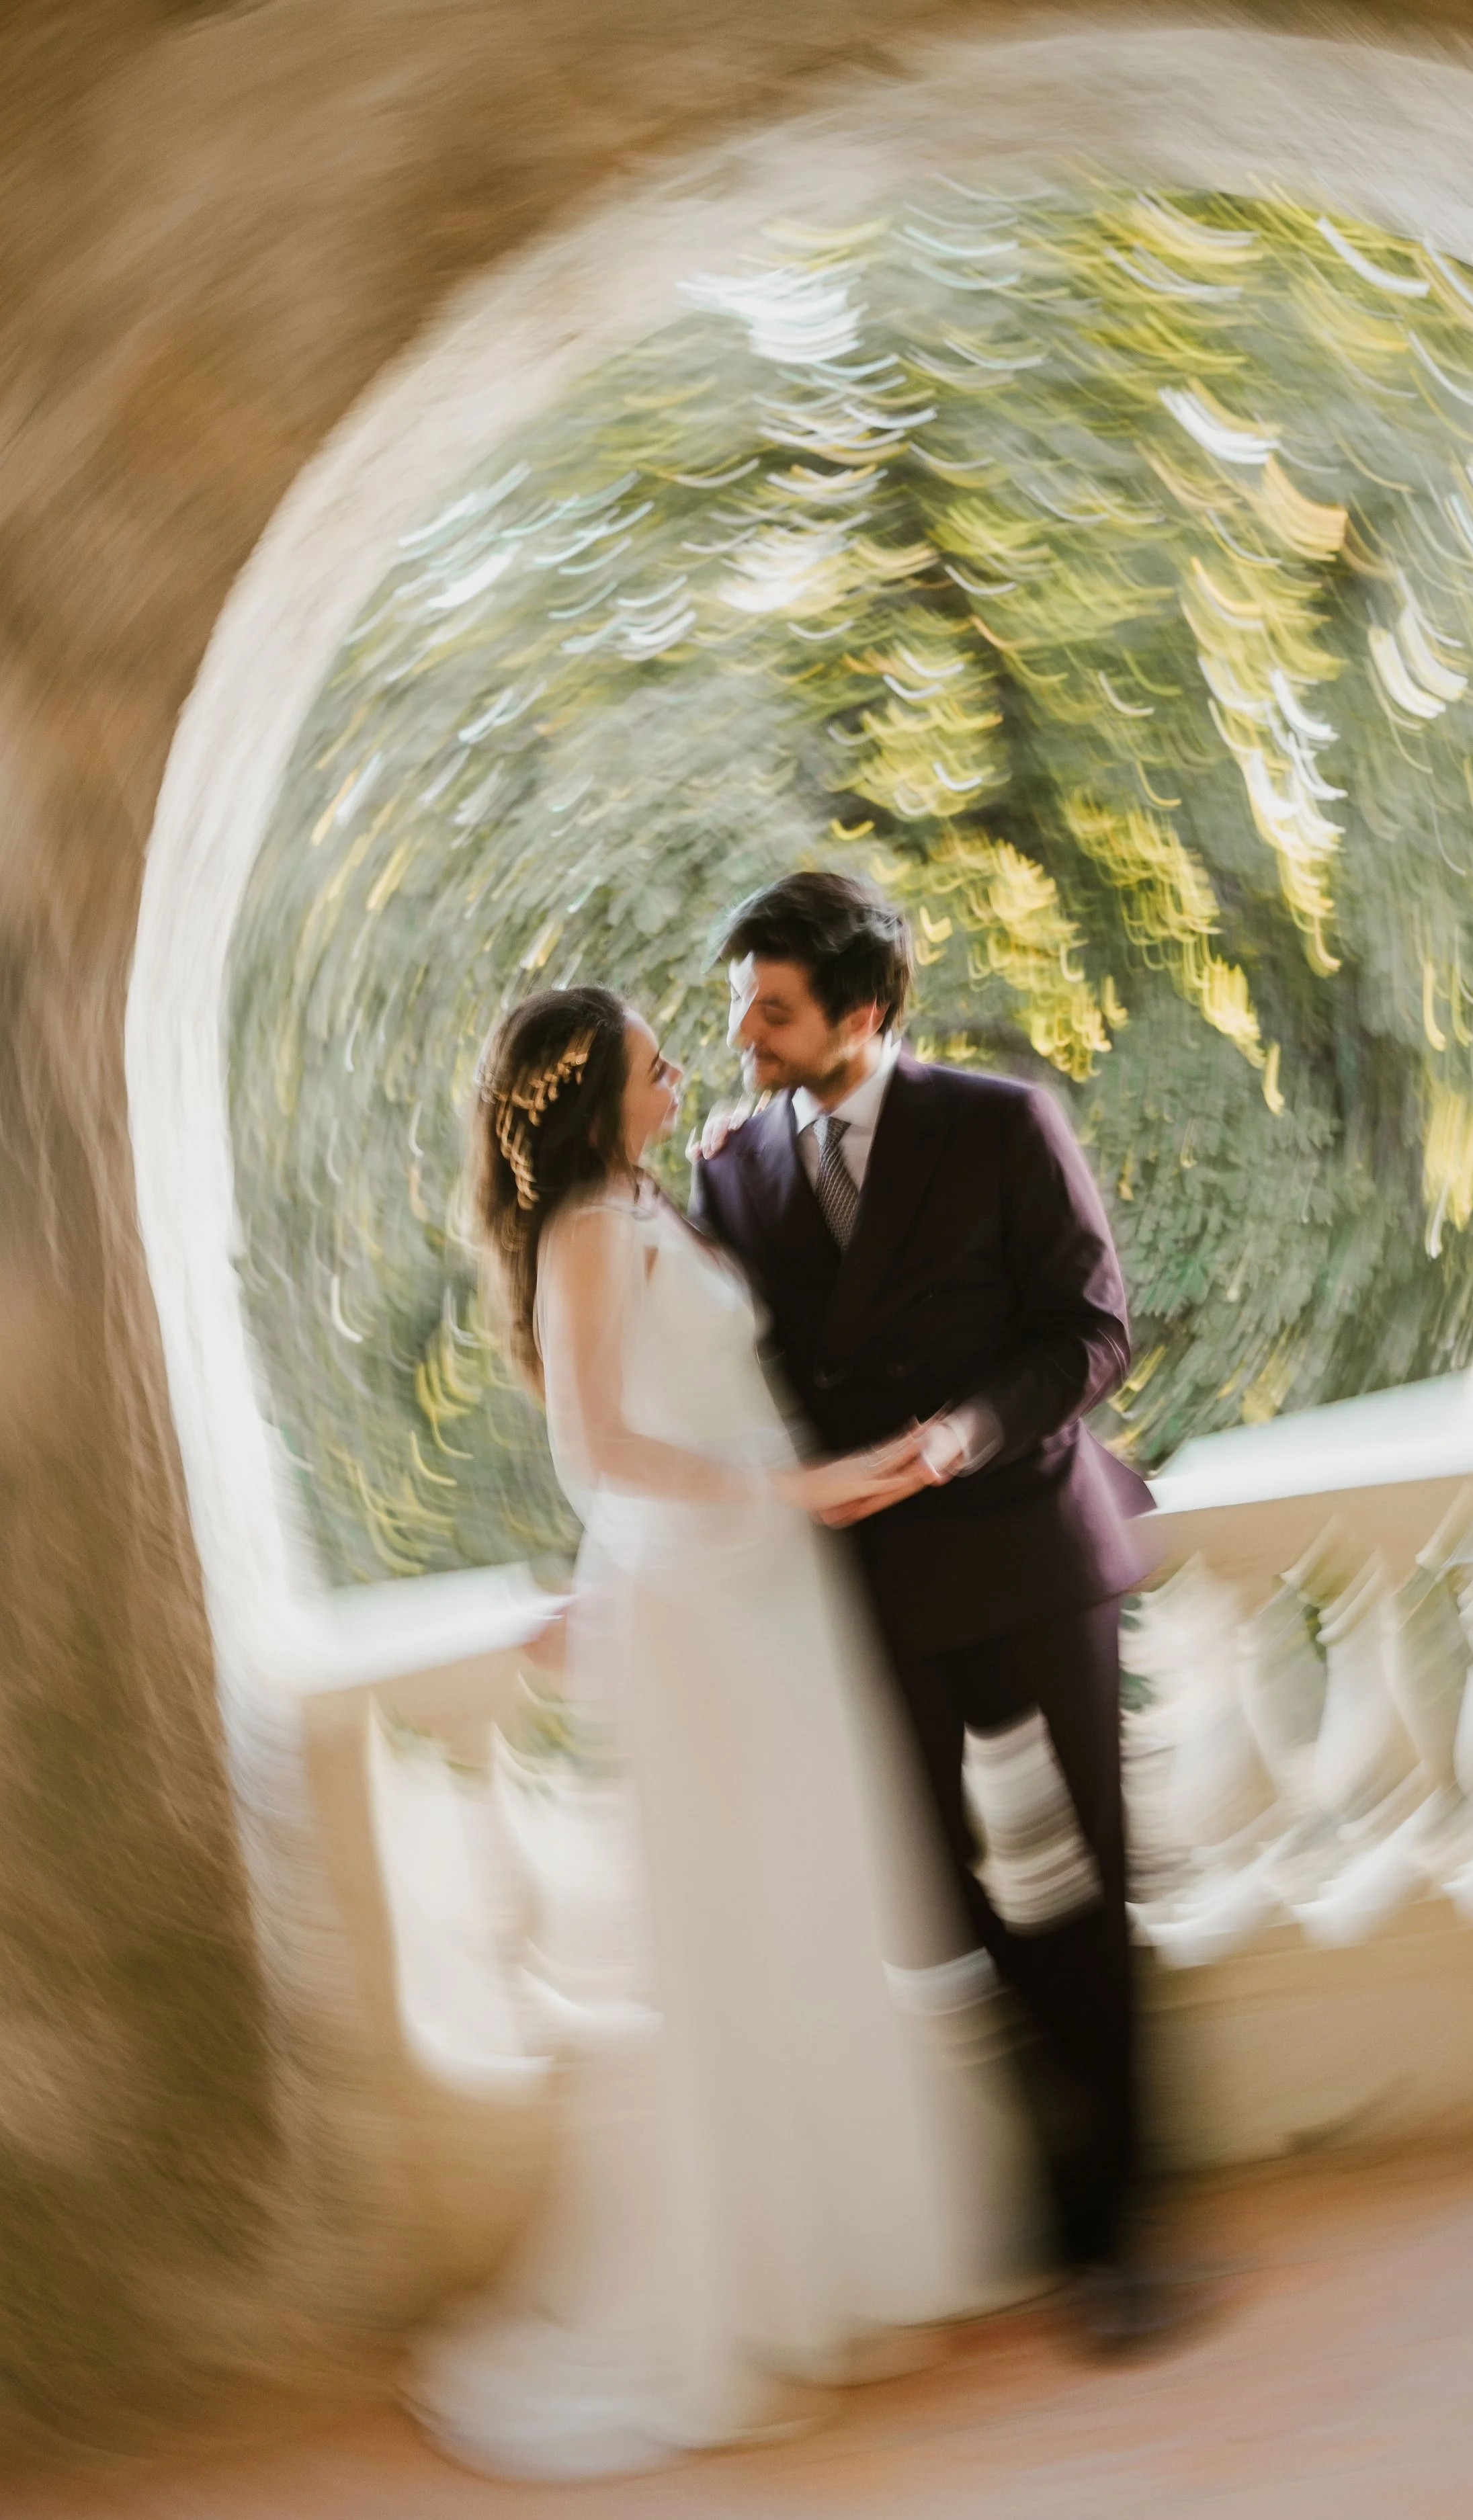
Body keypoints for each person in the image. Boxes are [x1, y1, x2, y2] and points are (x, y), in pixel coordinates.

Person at [405, 984, 1037, 2483]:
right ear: (592, 1097)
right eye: (650, 1062)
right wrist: (778, 1493)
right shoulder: (582, 1232)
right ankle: (739, 2304)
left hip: (771, 1598)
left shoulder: (654, 1209)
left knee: (817, 1908)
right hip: (701, 1608)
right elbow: (597, 1448)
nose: (678, 1071)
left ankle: (841, 2263)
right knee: (730, 1935)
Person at [691, 870, 1188, 2351]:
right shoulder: (733, 1169)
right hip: (872, 1593)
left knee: (1084, 1879)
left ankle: (1118, 2226)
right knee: (946, 1900)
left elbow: (1090, 1328)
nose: (746, 1037)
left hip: (1028, 1553)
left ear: (865, 1011)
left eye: (774, 1013)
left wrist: (962, 1433)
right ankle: (1058, 2168)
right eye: (741, 1009)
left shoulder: (1000, 1122)